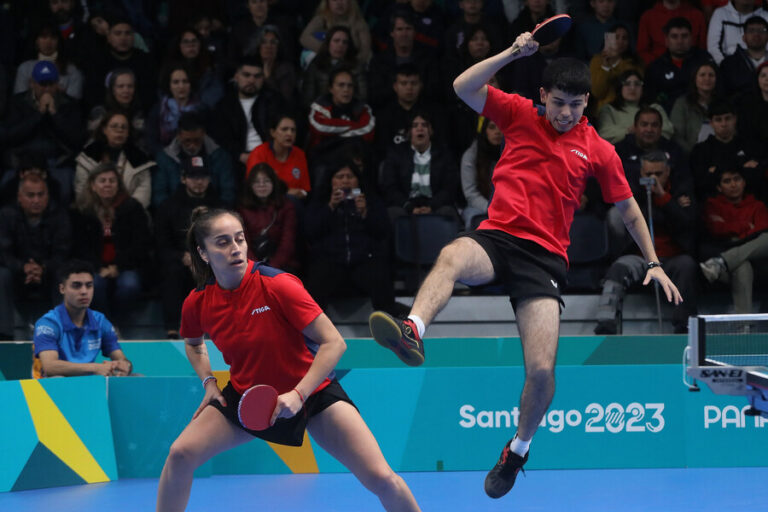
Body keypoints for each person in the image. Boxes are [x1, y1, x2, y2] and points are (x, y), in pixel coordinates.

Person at [368, 35, 682, 500]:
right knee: (453, 254)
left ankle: (517, 450)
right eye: (558, 103)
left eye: (576, 105)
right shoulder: (517, 113)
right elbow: (462, 86)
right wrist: (512, 53)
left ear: (587, 102)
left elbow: (629, 207)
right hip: (497, 238)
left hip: (546, 258)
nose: (566, 113)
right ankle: (413, 329)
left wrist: (654, 262)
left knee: (540, 371)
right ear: (542, 97)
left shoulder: (597, 148)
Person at [155, 207, 420, 512]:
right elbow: (194, 344)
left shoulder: (277, 284)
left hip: (313, 396)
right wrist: (209, 382)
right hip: (246, 397)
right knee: (180, 454)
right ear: (203, 252)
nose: (235, 248)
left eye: (239, 239)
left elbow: (334, 343)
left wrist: (298, 394)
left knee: (381, 478)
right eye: (223, 242)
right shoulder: (198, 302)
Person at [594, 151, 698, 334]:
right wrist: (670, 207)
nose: (653, 179)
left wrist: (663, 197)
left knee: (687, 266)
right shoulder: (632, 193)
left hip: (672, 257)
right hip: (640, 257)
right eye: (648, 174)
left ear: (667, 172)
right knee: (618, 268)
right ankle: (606, 325)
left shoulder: (681, 191)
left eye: (658, 174)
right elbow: (632, 217)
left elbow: (686, 222)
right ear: (641, 173)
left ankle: (684, 326)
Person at [71, 162, 151, 319]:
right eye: (102, 181)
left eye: (112, 181)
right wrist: (98, 267)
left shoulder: (133, 208)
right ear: (93, 185)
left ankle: (119, 322)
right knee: (95, 284)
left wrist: (117, 266)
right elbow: (79, 246)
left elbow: (141, 243)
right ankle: (103, 323)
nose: (107, 184)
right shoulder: (81, 210)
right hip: (93, 266)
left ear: (118, 185)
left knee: (129, 285)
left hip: (126, 265)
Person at [155, 157, 222, 338]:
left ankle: (219, 324)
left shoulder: (220, 206)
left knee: (219, 272)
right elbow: (162, 243)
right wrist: (182, 256)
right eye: (193, 177)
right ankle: (171, 328)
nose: (199, 182)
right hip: (179, 259)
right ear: (183, 178)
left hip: (212, 258)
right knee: (171, 272)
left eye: (203, 177)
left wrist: (205, 256)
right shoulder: (168, 206)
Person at [0, 174, 72, 340]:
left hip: (49, 275)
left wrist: (43, 268)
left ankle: (65, 335)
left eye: (41, 194)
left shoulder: (59, 215)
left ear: (48, 196)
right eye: (30, 195)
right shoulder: (6, 215)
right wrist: (22, 267)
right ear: (19, 197)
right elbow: (3, 252)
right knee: (1, 276)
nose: (36, 200)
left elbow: (63, 252)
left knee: (65, 275)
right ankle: (4, 337)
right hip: (17, 275)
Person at [32, 259, 133, 377]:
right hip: (54, 389)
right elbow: (50, 367)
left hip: (89, 384)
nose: (84, 291)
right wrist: (95, 368)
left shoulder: (100, 321)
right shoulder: (48, 323)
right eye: (76, 286)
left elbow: (121, 358)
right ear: (62, 289)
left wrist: (125, 366)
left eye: (89, 286)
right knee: (57, 378)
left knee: (137, 377)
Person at [700, 166, 768, 314]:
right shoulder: (712, 205)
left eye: (737, 179)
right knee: (742, 266)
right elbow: (716, 229)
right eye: (727, 181)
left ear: (744, 182)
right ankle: (744, 328)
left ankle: (722, 262)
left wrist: (731, 230)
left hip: (758, 264)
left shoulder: (758, 206)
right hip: (727, 265)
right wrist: (746, 227)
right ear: (719, 187)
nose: (733, 185)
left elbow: (762, 230)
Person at [211, 56, 285, 183]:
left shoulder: (274, 101)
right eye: (246, 75)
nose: (251, 80)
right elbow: (221, 138)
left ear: (263, 79)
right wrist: (240, 155)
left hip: (270, 155)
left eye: (257, 76)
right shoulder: (224, 105)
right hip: (237, 159)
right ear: (236, 77)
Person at [380, 112, 459, 223]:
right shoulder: (396, 155)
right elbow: (390, 187)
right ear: (409, 132)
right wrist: (409, 207)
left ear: (431, 130)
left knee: (448, 212)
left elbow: (449, 187)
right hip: (406, 205)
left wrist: (432, 206)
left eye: (424, 125)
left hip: (436, 204)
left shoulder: (444, 154)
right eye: (415, 125)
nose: (420, 129)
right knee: (393, 213)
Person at [75, 111, 155, 209]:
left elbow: (143, 192)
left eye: (123, 127)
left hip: (129, 215)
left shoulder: (140, 159)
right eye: (114, 126)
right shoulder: (88, 157)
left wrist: (127, 211)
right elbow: (82, 192)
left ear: (128, 133)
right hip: (94, 214)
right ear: (104, 130)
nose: (119, 130)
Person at [153, 111, 235, 208]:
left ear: (203, 134)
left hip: (212, 211)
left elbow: (228, 193)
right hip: (176, 213)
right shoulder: (165, 158)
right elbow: (159, 195)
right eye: (187, 141)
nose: (192, 145)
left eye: (197, 140)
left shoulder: (220, 156)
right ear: (179, 135)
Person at [689, 99, 765, 202]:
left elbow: (758, 177)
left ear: (735, 119)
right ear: (711, 123)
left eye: (727, 118)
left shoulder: (750, 146)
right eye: (718, 120)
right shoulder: (700, 150)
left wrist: (716, 171)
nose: (724, 124)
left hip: (749, 203)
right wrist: (742, 167)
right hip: (713, 206)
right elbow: (701, 183)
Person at [644, 17, 715, 114]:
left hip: (703, 113)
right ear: (666, 40)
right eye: (674, 36)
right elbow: (651, 101)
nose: (680, 41)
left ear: (691, 38)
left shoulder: (703, 59)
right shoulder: (656, 67)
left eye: (684, 36)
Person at [237, 163, 298, 272]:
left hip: (281, 264)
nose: (262, 185)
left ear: (274, 183)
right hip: (251, 266)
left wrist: (272, 268)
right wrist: (257, 268)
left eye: (266, 181)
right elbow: (243, 243)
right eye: (256, 182)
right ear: (250, 185)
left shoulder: (286, 206)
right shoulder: (241, 209)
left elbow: (288, 242)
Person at [245, 114, 310, 201]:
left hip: (293, 205)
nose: (289, 134)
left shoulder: (299, 154)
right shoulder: (259, 153)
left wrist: (301, 193)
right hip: (264, 204)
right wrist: (285, 193)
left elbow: (305, 189)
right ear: (273, 133)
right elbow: (254, 187)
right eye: (284, 129)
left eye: (293, 130)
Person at [597, 70, 673, 144]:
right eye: (627, 84)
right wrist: (630, 130)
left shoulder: (655, 108)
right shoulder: (608, 109)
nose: (632, 88)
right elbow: (604, 133)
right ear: (620, 87)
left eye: (637, 84)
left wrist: (636, 131)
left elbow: (668, 130)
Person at [146, 62, 206, 156]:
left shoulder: (202, 109)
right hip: (166, 159)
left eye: (185, 81)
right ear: (169, 85)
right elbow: (152, 142)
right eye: (176, 82)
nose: (181, 86)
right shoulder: (158, 110)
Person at [301, 25, 368, 108]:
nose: (340, 45)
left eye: (345, 42)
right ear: (328, 43)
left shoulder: (356, 66)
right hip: (321, 113)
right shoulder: (316, 64)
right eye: (336, 41)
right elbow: (307, 97)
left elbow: (362, 97)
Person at [14, 21, 84, 100]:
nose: (48, 42)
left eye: (53, 37)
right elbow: (19, 100)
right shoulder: (24, 68)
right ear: (36, 41)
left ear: (59, 41)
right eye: (43, 37)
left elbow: (74, 103)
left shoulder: (72, 70)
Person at [87, 68, 148, 153]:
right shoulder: (99, 112)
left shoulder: (138, 114)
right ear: (112, 90)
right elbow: (92, 141)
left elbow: (142, 144)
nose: (126, 90)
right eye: (120, 86)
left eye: (130, 86)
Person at [588, 23, 644, 115]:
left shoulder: (635, 62)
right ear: (608, 39)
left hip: (630, 109)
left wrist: (617, 59)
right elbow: (598, 92)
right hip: (604, 111)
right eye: (616, 37)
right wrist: (605, 66)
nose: (620, 41)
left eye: (624, 38)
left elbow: (632, 83)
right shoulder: (597, 61)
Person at [300, 0, 372, 66]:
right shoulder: (320, 19)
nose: (339, 3)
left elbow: (365, 51)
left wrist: (351, 61)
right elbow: (304, 38)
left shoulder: (358, 23)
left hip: (350, 64)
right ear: (327, 2)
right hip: (324, 61)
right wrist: (330, 51)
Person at [636, 0, 707, 65]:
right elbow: (642, 51)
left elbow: (703, 49)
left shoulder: (697, 15)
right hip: (658, 69)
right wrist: (658, 66)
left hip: (692, 69)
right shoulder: (648, 17)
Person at [460, 117, 501, 229]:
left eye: (500, 127)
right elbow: (471, 194)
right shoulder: (471, 156)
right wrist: (492, 209)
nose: (497, 131)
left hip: (506, 208)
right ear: (484, 130)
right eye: (492, 127)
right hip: (478, 208)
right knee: (476, 220)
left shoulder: (511, 152)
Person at [670, 61, 720, 154]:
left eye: (711, 75)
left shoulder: (722, 103)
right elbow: (677, 135)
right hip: (690, 155)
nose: (707, 78)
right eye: (702, 75)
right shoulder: (682, 104)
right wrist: (694, 152)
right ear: (695, 78)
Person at [719, 16, 768, 99]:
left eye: (761, 31)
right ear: (744, 37)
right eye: (751, 31)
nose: (756, 34)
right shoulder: (729, 64)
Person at [707, 0, 768, 65]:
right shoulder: (720, 14)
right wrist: (725, 66)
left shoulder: (766, 16)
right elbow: (713, 49)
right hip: (727, 68)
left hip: (762, 68)